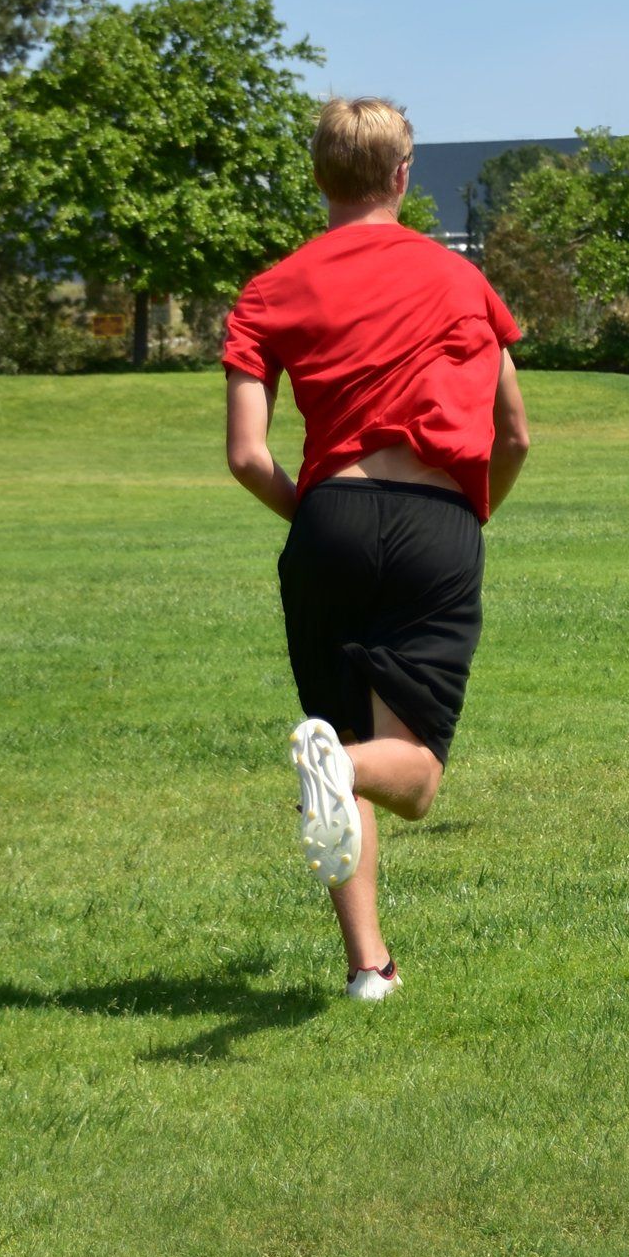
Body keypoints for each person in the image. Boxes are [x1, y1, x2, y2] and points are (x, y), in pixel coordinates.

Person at [222, 97, 530, 1001]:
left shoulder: (268, 289)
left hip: (327, 520)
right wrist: (469, 518)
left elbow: (247, 455)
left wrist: (318, 517)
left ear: (318, 177)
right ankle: (342, 771)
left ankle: (369, 968)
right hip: (437, 521)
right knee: (412, 774)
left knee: (339, 728)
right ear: (404, 176)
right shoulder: (459, 279)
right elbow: (513, 435)